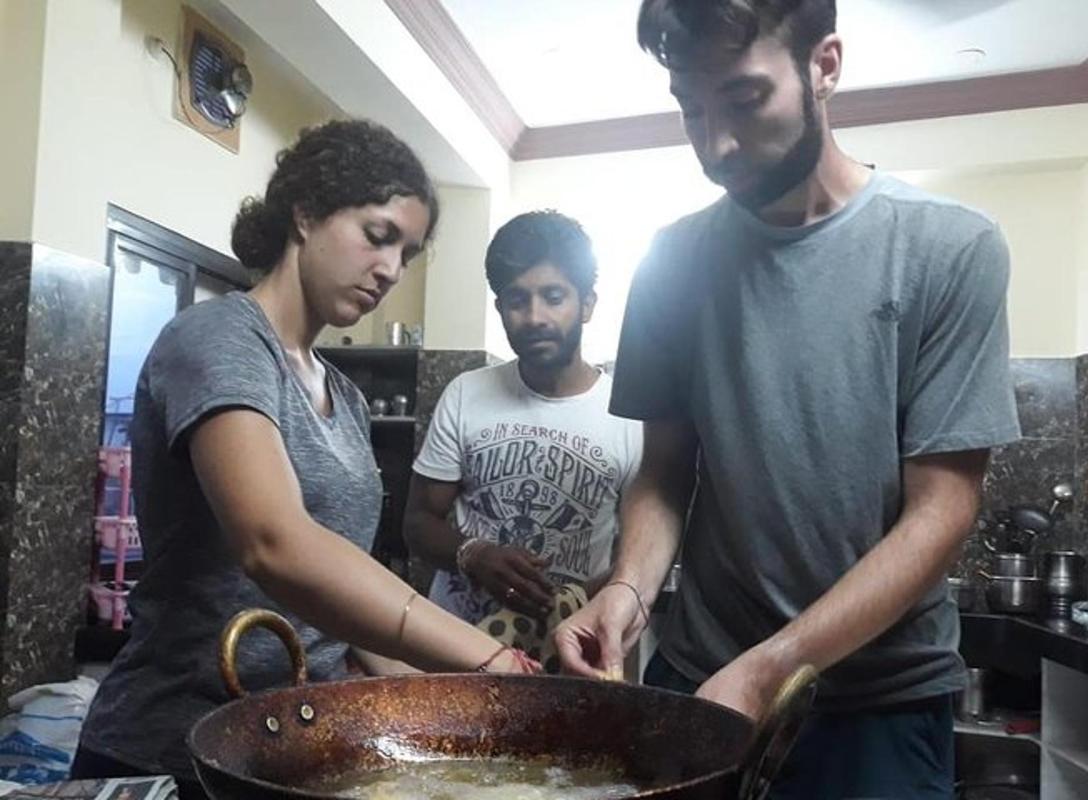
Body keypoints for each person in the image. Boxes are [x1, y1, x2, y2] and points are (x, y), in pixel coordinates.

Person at [554, 1, 1021, 797]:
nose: (715, 144)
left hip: (878, 701)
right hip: (699, 676)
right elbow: (665, 474)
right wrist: (626, 591)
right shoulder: (669, 263)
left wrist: (773, 667)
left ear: (825, 67)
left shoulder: (949, 247)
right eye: (690, 108)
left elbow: (942, 512)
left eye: (743, 100)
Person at [74, 120, 535, 798]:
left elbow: (339, 614)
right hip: (171, 752)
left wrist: (473, 702)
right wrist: (486, 655)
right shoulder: (218, 339)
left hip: (289, 754)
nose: (389, 270)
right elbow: (277, 544)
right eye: (378, 236)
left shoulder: (344, 397)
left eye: (406, 254)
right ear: (306, 213)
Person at [405, 211, 642, 669]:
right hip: (457, 653)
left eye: (553, 297)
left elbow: (638, 554)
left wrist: (572, 600)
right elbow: (416, 523)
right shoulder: (465, 394)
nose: (534, 317)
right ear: (500, 309)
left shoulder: (629, 413)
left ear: (587, 304)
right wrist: (474, 555)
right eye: (517, 300)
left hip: (568, 658)